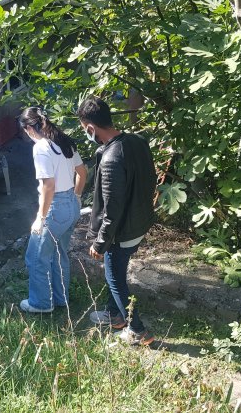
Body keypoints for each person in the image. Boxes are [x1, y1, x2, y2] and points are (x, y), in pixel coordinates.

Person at [76, 96, 157, 346]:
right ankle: (114, 316)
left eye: (84, 129)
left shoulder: (111, 158)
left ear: (91, 127)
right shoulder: (137, 141)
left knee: (115, 280)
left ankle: (138, 331)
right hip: (139, 223)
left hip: (122, 233)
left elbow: (112, 210)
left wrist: (100, 243)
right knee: (117, 273)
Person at [17, 107, 87, 313]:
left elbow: (48, 185)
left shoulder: (41, 147)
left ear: (30, 128)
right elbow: (82, 173)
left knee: (36, 256)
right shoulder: (64, 141)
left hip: (55, 208)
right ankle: (60, 298)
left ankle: (41, 303)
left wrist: (41, 218)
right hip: (71, 204)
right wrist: (76, 197)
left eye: (25, 130)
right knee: (59, 255)